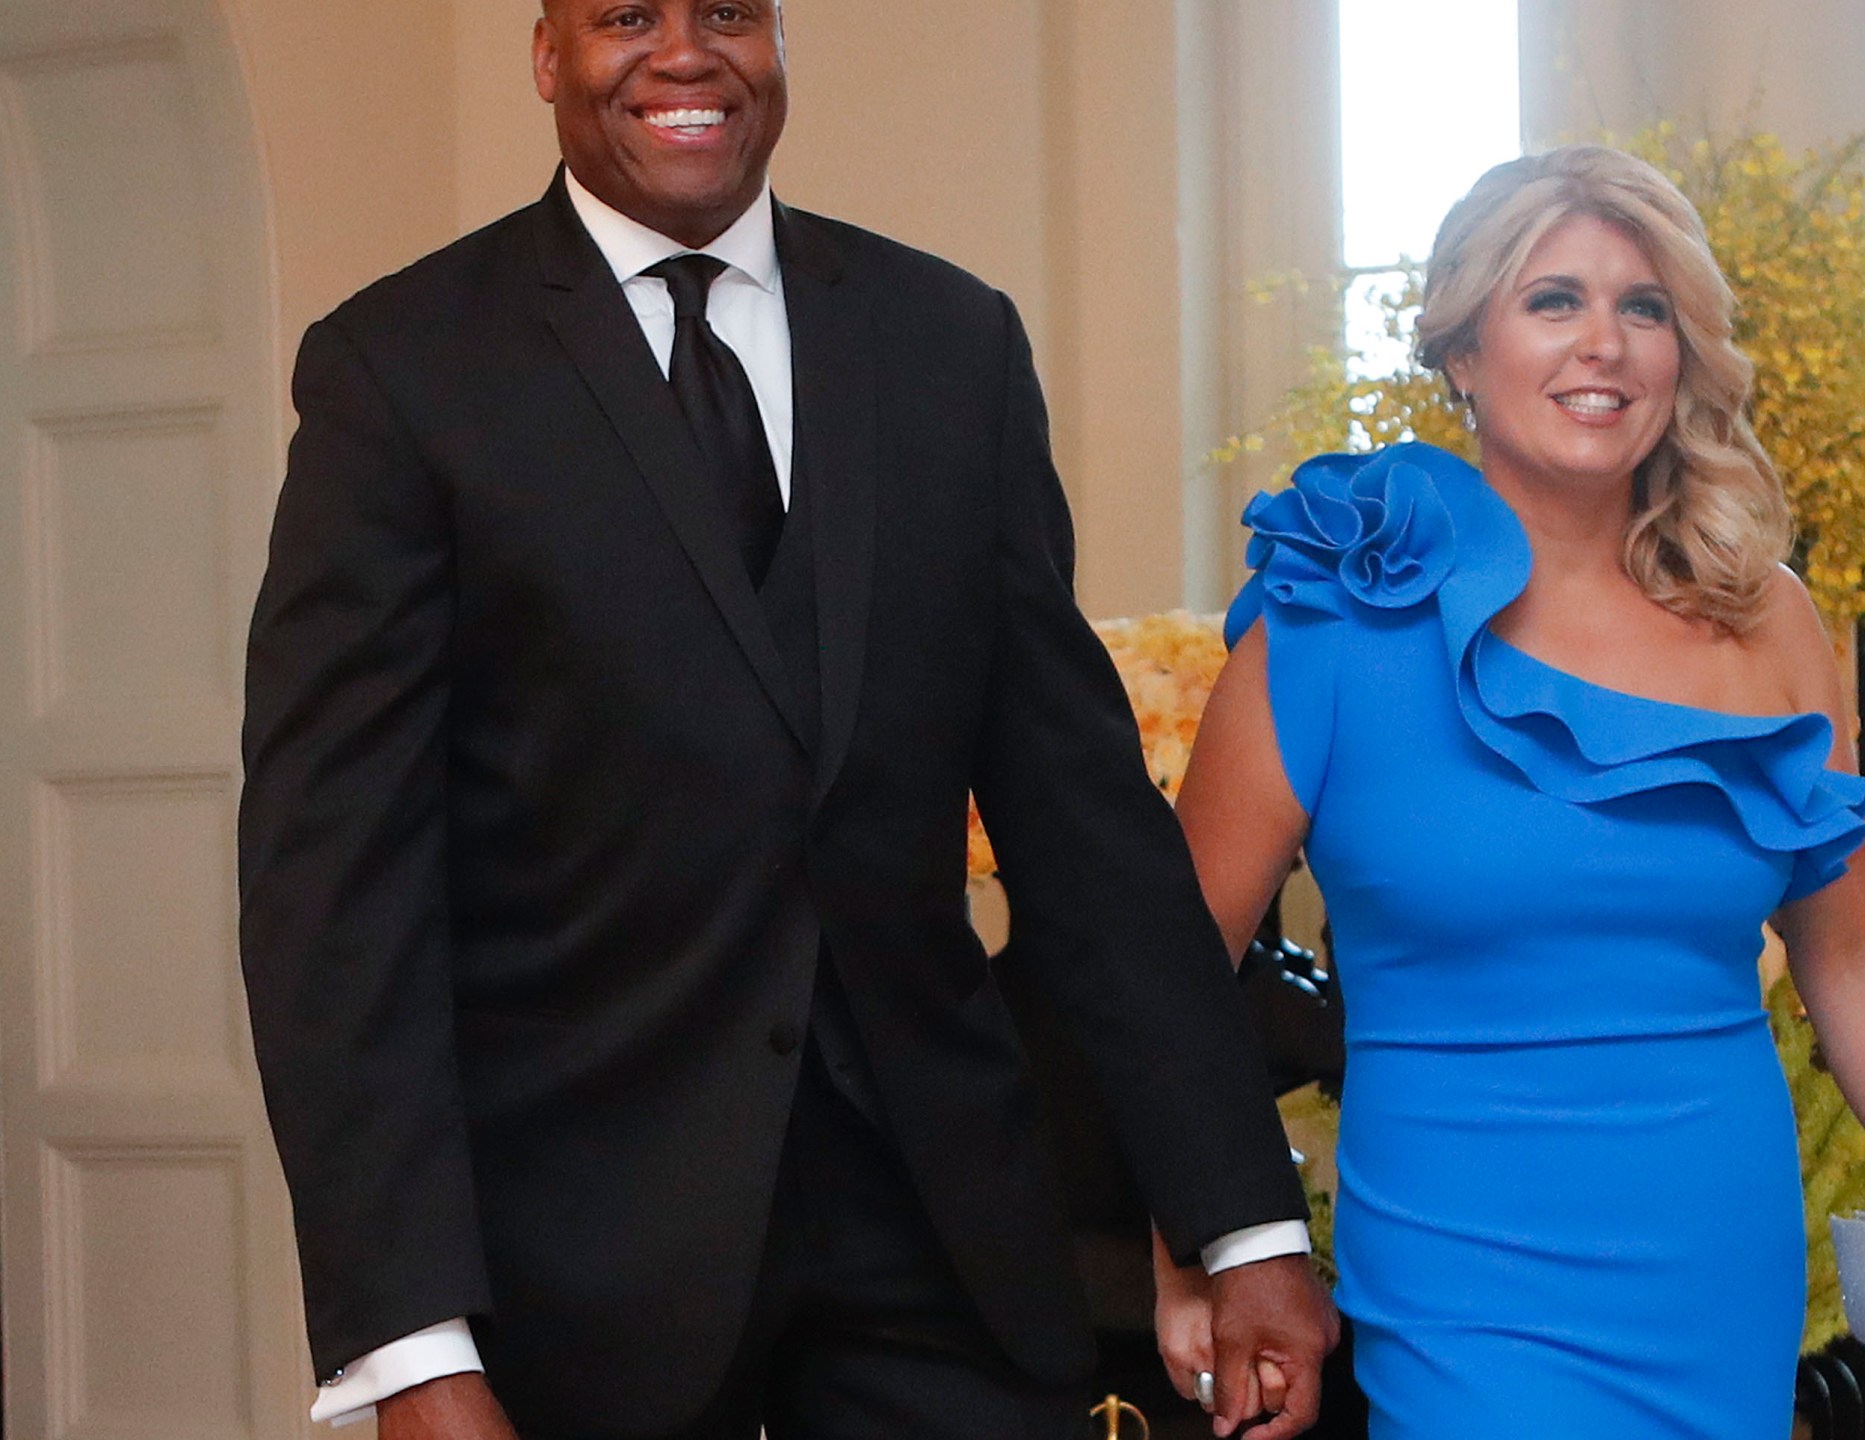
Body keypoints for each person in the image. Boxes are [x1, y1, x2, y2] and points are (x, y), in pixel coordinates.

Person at [237, 3, 1334, 1438]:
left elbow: (1088, 831)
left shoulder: (951, 343)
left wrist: (1242, 1223)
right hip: (572, 1268)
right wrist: (411, 1349)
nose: (686, 54)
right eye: (629, 15)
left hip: (939, 1236)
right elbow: (336, 898)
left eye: (729, 15)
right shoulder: (404, 369)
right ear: (547, 53)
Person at [1153, 145, 1865, 1437]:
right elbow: (1161, 976)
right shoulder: (1333, 615)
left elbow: (1853, 948)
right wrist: (1196, 1252)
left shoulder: (1766, 621)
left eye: (1644, 307)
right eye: (1554, 300)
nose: (1603, 342)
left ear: (1684, 353)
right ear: (1461, 351)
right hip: (1462, 1278)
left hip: (1715, 1260)